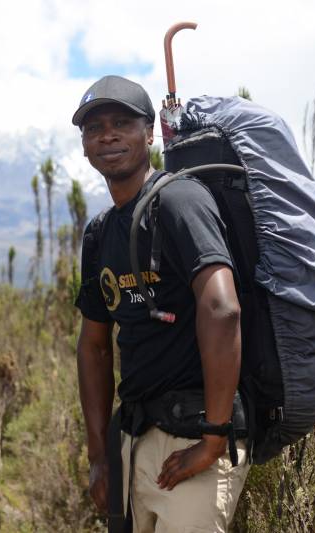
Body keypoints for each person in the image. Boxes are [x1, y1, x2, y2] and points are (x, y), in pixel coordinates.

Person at [73, 75, 250, 532]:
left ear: (149, 132)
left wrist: (212, 441)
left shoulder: (180, 201)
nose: (107, 135)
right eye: (94, 129)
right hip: (134, 438)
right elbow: (93, 345)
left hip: (195, 437)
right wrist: (100, 456)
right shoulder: (99, 234)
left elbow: (222, 308)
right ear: (85, 145)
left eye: (121, 123)